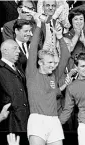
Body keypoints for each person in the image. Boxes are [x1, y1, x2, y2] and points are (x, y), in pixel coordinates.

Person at [26, 13, 70, 145]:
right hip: (37, 120)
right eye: (49, 62)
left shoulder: (54, 75)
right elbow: (33, 49)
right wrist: (39, 26)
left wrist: (60, 37)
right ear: (40, 63)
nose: (53, 65)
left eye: (53, 62)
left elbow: (66, 56)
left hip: (54, 120)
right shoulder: (32, 73)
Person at [0, 39, 29, 132]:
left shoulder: (18, 67)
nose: (19, 51)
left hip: (24, 118)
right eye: (15, 48)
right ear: (5, 51)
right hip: (9, 120)